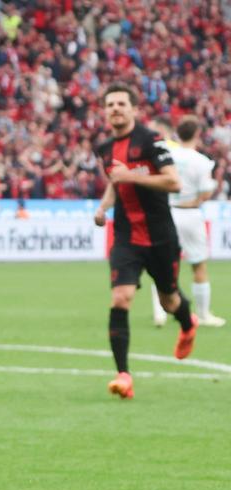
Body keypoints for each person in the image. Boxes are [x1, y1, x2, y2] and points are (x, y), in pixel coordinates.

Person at [93, 85, 192, 400]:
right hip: (126, 237)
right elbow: (114, 180)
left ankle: (188, 324)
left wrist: (131, 177)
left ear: (134, 109)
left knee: (169, 301)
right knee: (121, 298)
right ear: (105, 111)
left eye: (121, 103)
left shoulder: (151, 141)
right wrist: (103, 207)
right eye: (110, 104)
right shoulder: (105, 149)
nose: (116, 109)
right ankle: (123, 375)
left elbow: (173, 182)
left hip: (160, 237)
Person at [146, 117, 222, 328]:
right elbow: (206, 192)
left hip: (166, 213)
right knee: (198, 264)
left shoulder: (167, 153)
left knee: (162, 265)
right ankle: (204, 314)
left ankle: (160, 312)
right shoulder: (201, 160)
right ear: (197, 134)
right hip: (189, 214)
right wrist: (194, 200)